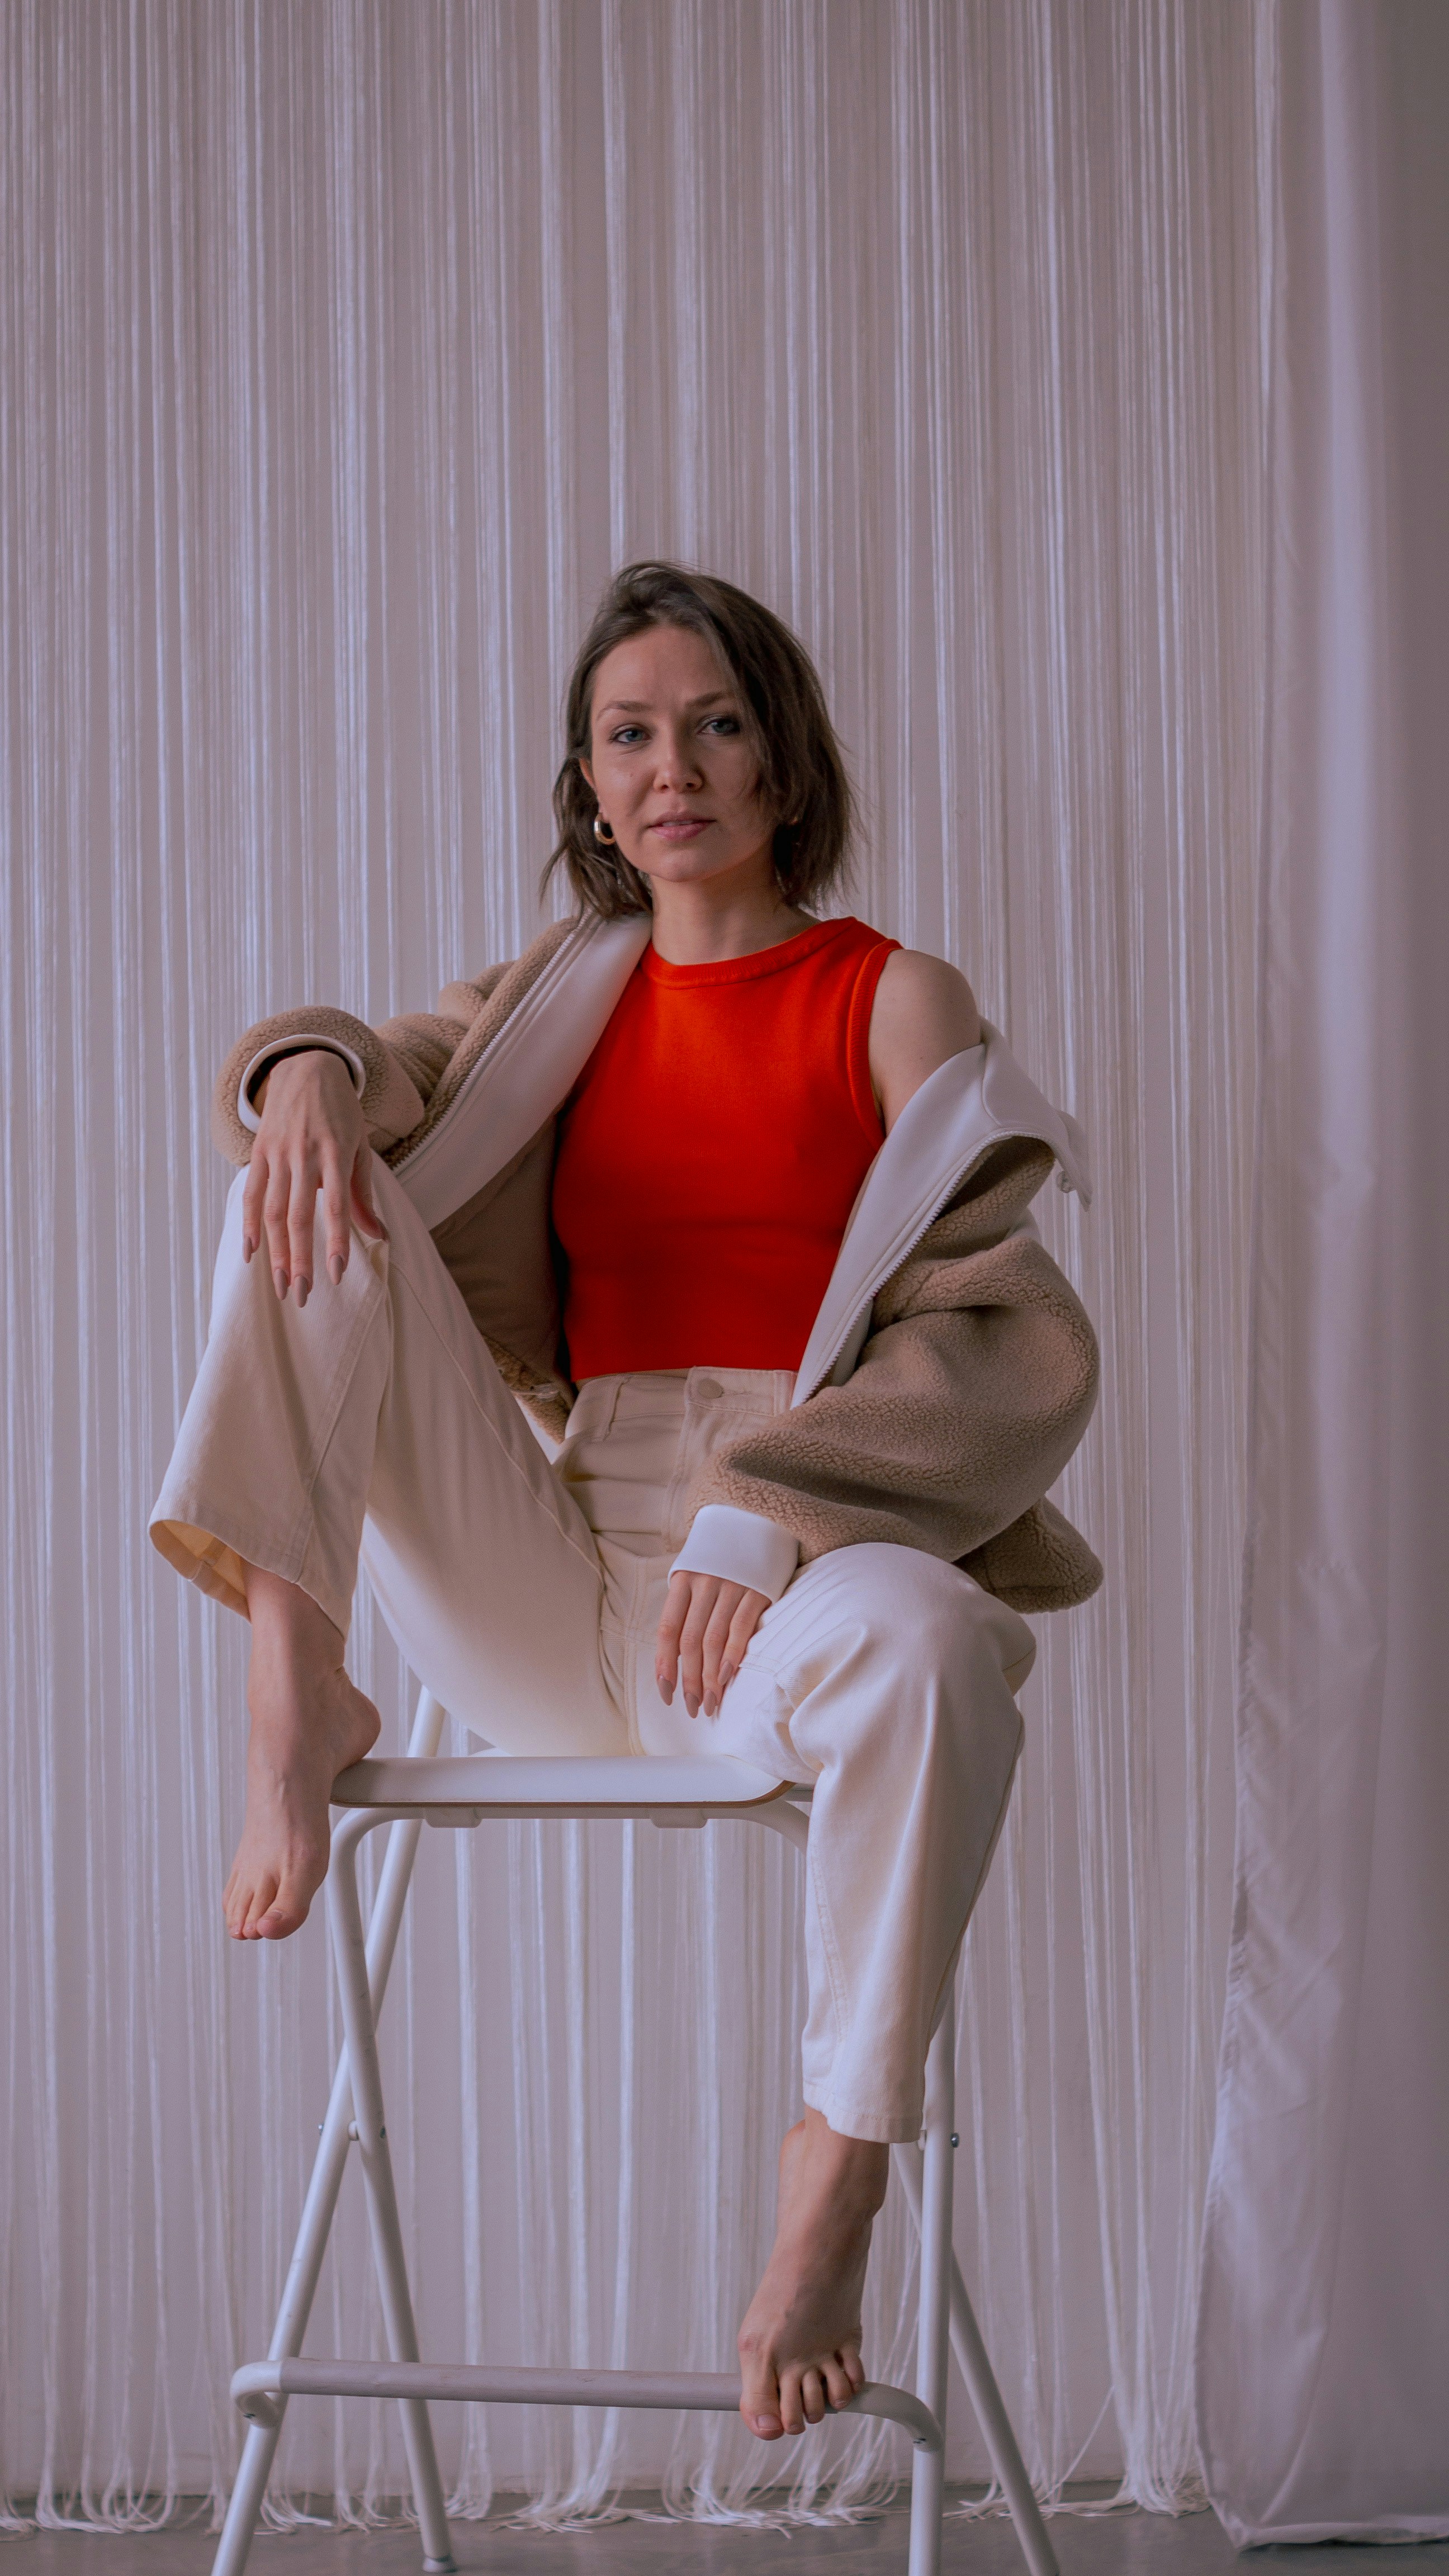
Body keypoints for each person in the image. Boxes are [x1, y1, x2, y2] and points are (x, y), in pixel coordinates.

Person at [151, 560, 1101, 2449]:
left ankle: (837, 2160)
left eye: (716, 722)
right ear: (589, 785)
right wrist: (312, 1079)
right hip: (560, 1565)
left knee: (935, 1641)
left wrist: (770, 1508)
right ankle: (296, 1683)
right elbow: (360, 1066)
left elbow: (1011, 1344)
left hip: (797, 1564)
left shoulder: (889, 996)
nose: (674, 767)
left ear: (782, 755)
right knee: (307, 1181)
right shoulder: (554, 1004)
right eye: (628, 734)